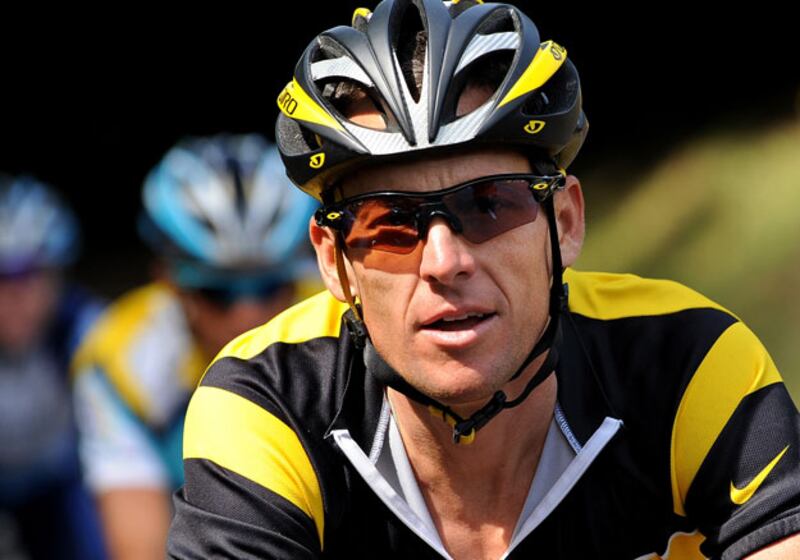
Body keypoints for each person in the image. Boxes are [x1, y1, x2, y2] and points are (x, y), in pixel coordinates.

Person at [168, 2, 800, 558]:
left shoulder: (686, 362)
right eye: (389, 223)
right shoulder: (265, 404)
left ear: (565, 223)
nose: (444, 262)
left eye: (490, 204)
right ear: (334, 262)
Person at [72, 133, 319, 560]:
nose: (247, 316)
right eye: (217, 293)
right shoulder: (120, 359)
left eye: (271, 286)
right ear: (168, 280)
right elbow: (142, 546)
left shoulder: (349, 313)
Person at [0, 176, 107, 560]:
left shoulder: (92, 330)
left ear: (59, 275)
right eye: (1, 278)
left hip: (64, 487)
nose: (14, 296)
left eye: (29, 274)